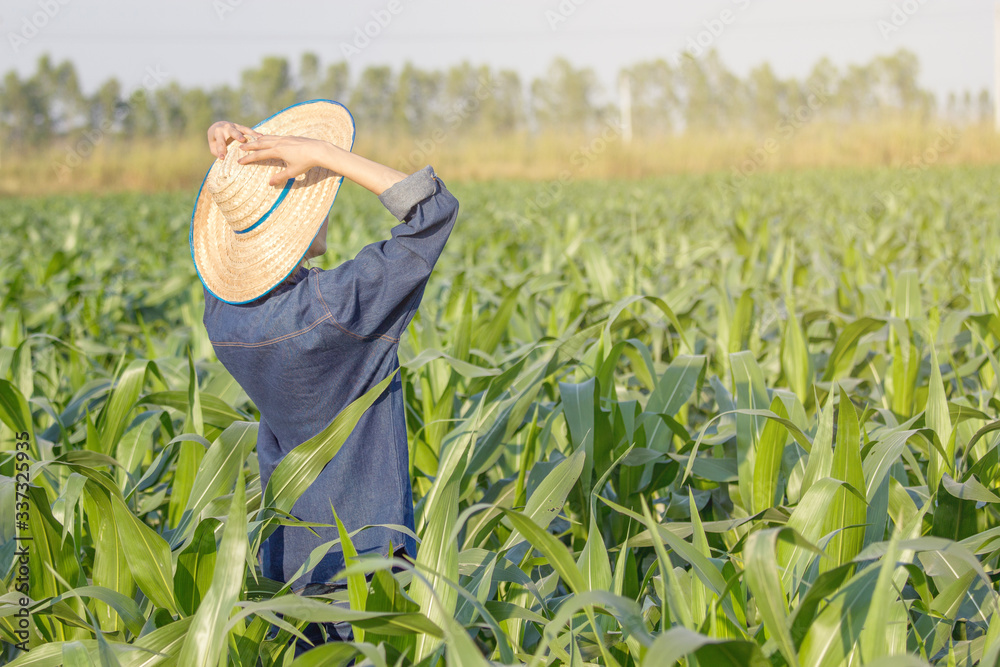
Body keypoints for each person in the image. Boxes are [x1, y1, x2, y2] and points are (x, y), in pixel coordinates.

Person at [190, 100, 460, 656]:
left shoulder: (222, 319)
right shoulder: (337, 309)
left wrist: (235, 159)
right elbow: (434, 212)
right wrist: (328, 156)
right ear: (298, 223)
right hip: (362, 566)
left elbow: (239, 278)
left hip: (286, 563)